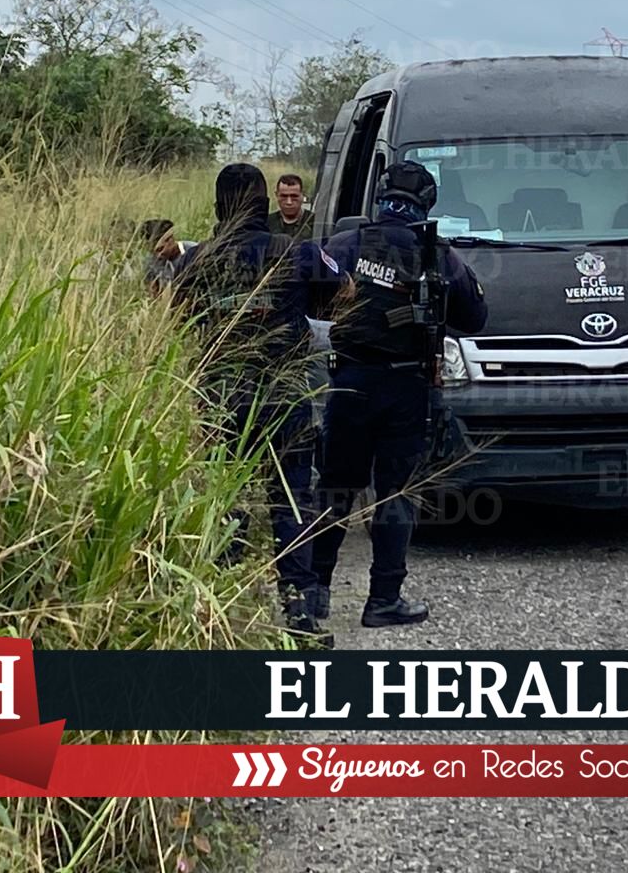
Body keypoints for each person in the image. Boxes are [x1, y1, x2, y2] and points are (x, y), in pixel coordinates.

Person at [172, 164, 348, 641]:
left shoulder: (196, 261)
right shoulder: (297, 251)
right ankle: (299, 612)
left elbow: (176, 318)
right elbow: (345, 294)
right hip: (285, 395)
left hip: (222, 398)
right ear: (263, 204)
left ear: (218, 207)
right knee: (290, 499)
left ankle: (225, 610)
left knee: (225, 499)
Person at [311, 161, 488, 627]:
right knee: (397, 493)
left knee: (335, 487)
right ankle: (383, 600)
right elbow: (475, 317)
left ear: (381, 196)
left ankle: (314, 592)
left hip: (349, 382)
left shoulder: (347, 243)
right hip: (407, 386)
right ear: (427, 203)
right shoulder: (438, 255)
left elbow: (310, 297)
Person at [268, 173, 316, 240]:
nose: (289, 202)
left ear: (302, 195)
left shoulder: (315, 222)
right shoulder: (266, 223)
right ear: (276, 195)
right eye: (284, 196)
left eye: (294, 196)